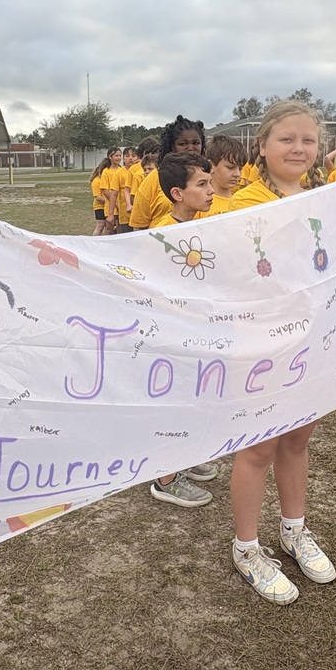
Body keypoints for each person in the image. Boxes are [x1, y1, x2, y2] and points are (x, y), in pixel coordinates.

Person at [227, 100, 332, 606]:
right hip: (260, 345)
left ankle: (294, 529)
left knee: (297, 439)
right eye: (286, 139)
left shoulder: (324, 199)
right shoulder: (238, 204)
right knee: (258, 447)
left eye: (307, 140)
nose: (298, 148)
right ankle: (246, 548)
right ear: (263, 146)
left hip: (310, 342)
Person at [144, 152, 218, 507]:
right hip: (172, 336)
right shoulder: (162, 234)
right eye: (201, 185)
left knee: (192, 399)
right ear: (177, 193)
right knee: (172, 402)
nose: (210, 191)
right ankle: (164, 478)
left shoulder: (202, 226)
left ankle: (181, 460)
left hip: (195, 332)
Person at [130, 116, 207, 230]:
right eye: (183, 144)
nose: (190, 148)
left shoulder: (210, 176)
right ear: (172, 146)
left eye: (196, 143)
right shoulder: (156, 177)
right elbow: (139, 225)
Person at [200, 135, 246, 218]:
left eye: (240, 169)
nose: (237, 174)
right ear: (211, 166)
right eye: (230, 167)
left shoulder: (243, 202)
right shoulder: (199, 204)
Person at [89, 158, 110, 236]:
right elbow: (97, 197)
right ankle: (94, 241)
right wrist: (110, 201)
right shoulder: (97, 181)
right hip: (99, 207)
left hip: (107, 206)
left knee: (107, 226)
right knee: (100, 225)